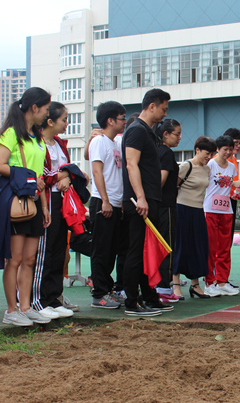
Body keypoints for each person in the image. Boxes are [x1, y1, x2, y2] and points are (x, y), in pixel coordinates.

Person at [0, 87, 52, 326]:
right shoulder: (11, 133)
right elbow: (1, 164)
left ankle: (25, 307)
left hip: (34, 203)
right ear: (34, 107)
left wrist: (45, 207)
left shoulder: (37, 137)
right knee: (15, 259)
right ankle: (11, 310)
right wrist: (28, 177)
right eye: (46, 109)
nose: (47, 114)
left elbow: (40, 176)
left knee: (30, 259)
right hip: (16, 202)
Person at [121, 88, 173, 316]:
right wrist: (140, 197)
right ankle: (132, 302)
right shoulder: (136, 130)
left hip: (150, 199)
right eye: (163, 109)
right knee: (136, 251)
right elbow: (131, 164)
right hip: (139, 201)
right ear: (152, 106)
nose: (165, 114)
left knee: (147, 251)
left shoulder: (147, 132)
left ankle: (149, 297)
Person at [31, 101, 74, 320]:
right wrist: (65, 175)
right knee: (44, 252)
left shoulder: (59, 143)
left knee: (59, 250)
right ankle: (38, 300)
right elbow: (44, 176)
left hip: (62, 201)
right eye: (64, 119)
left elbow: (68, 170)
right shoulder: (38, 143)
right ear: (49, 121)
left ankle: (53, 297)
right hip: (45, 201)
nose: (67, 123)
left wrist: (68, 177)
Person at [88, 101, 127, 310]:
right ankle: (99, 294)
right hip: (103, 201)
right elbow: (97, 172)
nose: (124, 122)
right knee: (101, 250)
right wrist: (105, 200)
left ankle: (108, 289)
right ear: (110, 120)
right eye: (122, 118)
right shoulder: (99, 142)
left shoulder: (116, 141)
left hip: (116, 202)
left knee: (112, 250)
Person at [172, 137, 216, 299]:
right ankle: (175, 284)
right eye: (206, 153)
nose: (209, 157)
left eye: (211, 154)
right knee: (180, 246)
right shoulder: (186, 166)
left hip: (198, 211)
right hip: (182, 210)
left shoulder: (207, 169)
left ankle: (195, 285)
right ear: (197, 150)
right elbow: (172, 187)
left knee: (198, 247)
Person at [204, 135, 240, 297]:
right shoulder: (210, 164)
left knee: (225, 249)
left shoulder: (232, 166)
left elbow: (231, 185)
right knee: (211, 248)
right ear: (217, 149)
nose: (228, 152)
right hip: (210, 210)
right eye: (225, 149)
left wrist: (236, 185)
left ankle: (222, 282)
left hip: (226, 211)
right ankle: (209, 283)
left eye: (230, 149)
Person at [154, 119, 182, 302]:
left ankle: (159, 286)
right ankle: (163, 287)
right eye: (177, 134)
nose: (180, 137)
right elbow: (160, 181)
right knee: (166, 246)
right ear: (165, 134)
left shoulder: (156, 151)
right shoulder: (166, 153)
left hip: (159, 206)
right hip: (165, 207)